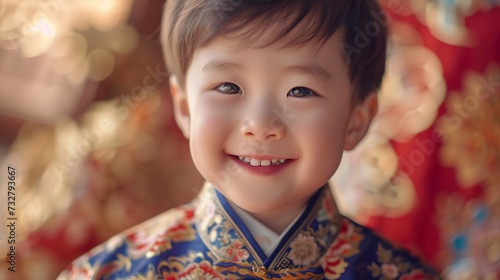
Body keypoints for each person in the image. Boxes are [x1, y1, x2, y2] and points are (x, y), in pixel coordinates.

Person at [58, 0, 442, 279]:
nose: (260, 125)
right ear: (185, 108)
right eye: (227, 86)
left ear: (356, 119)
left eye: (301, 91)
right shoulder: (105, 273)